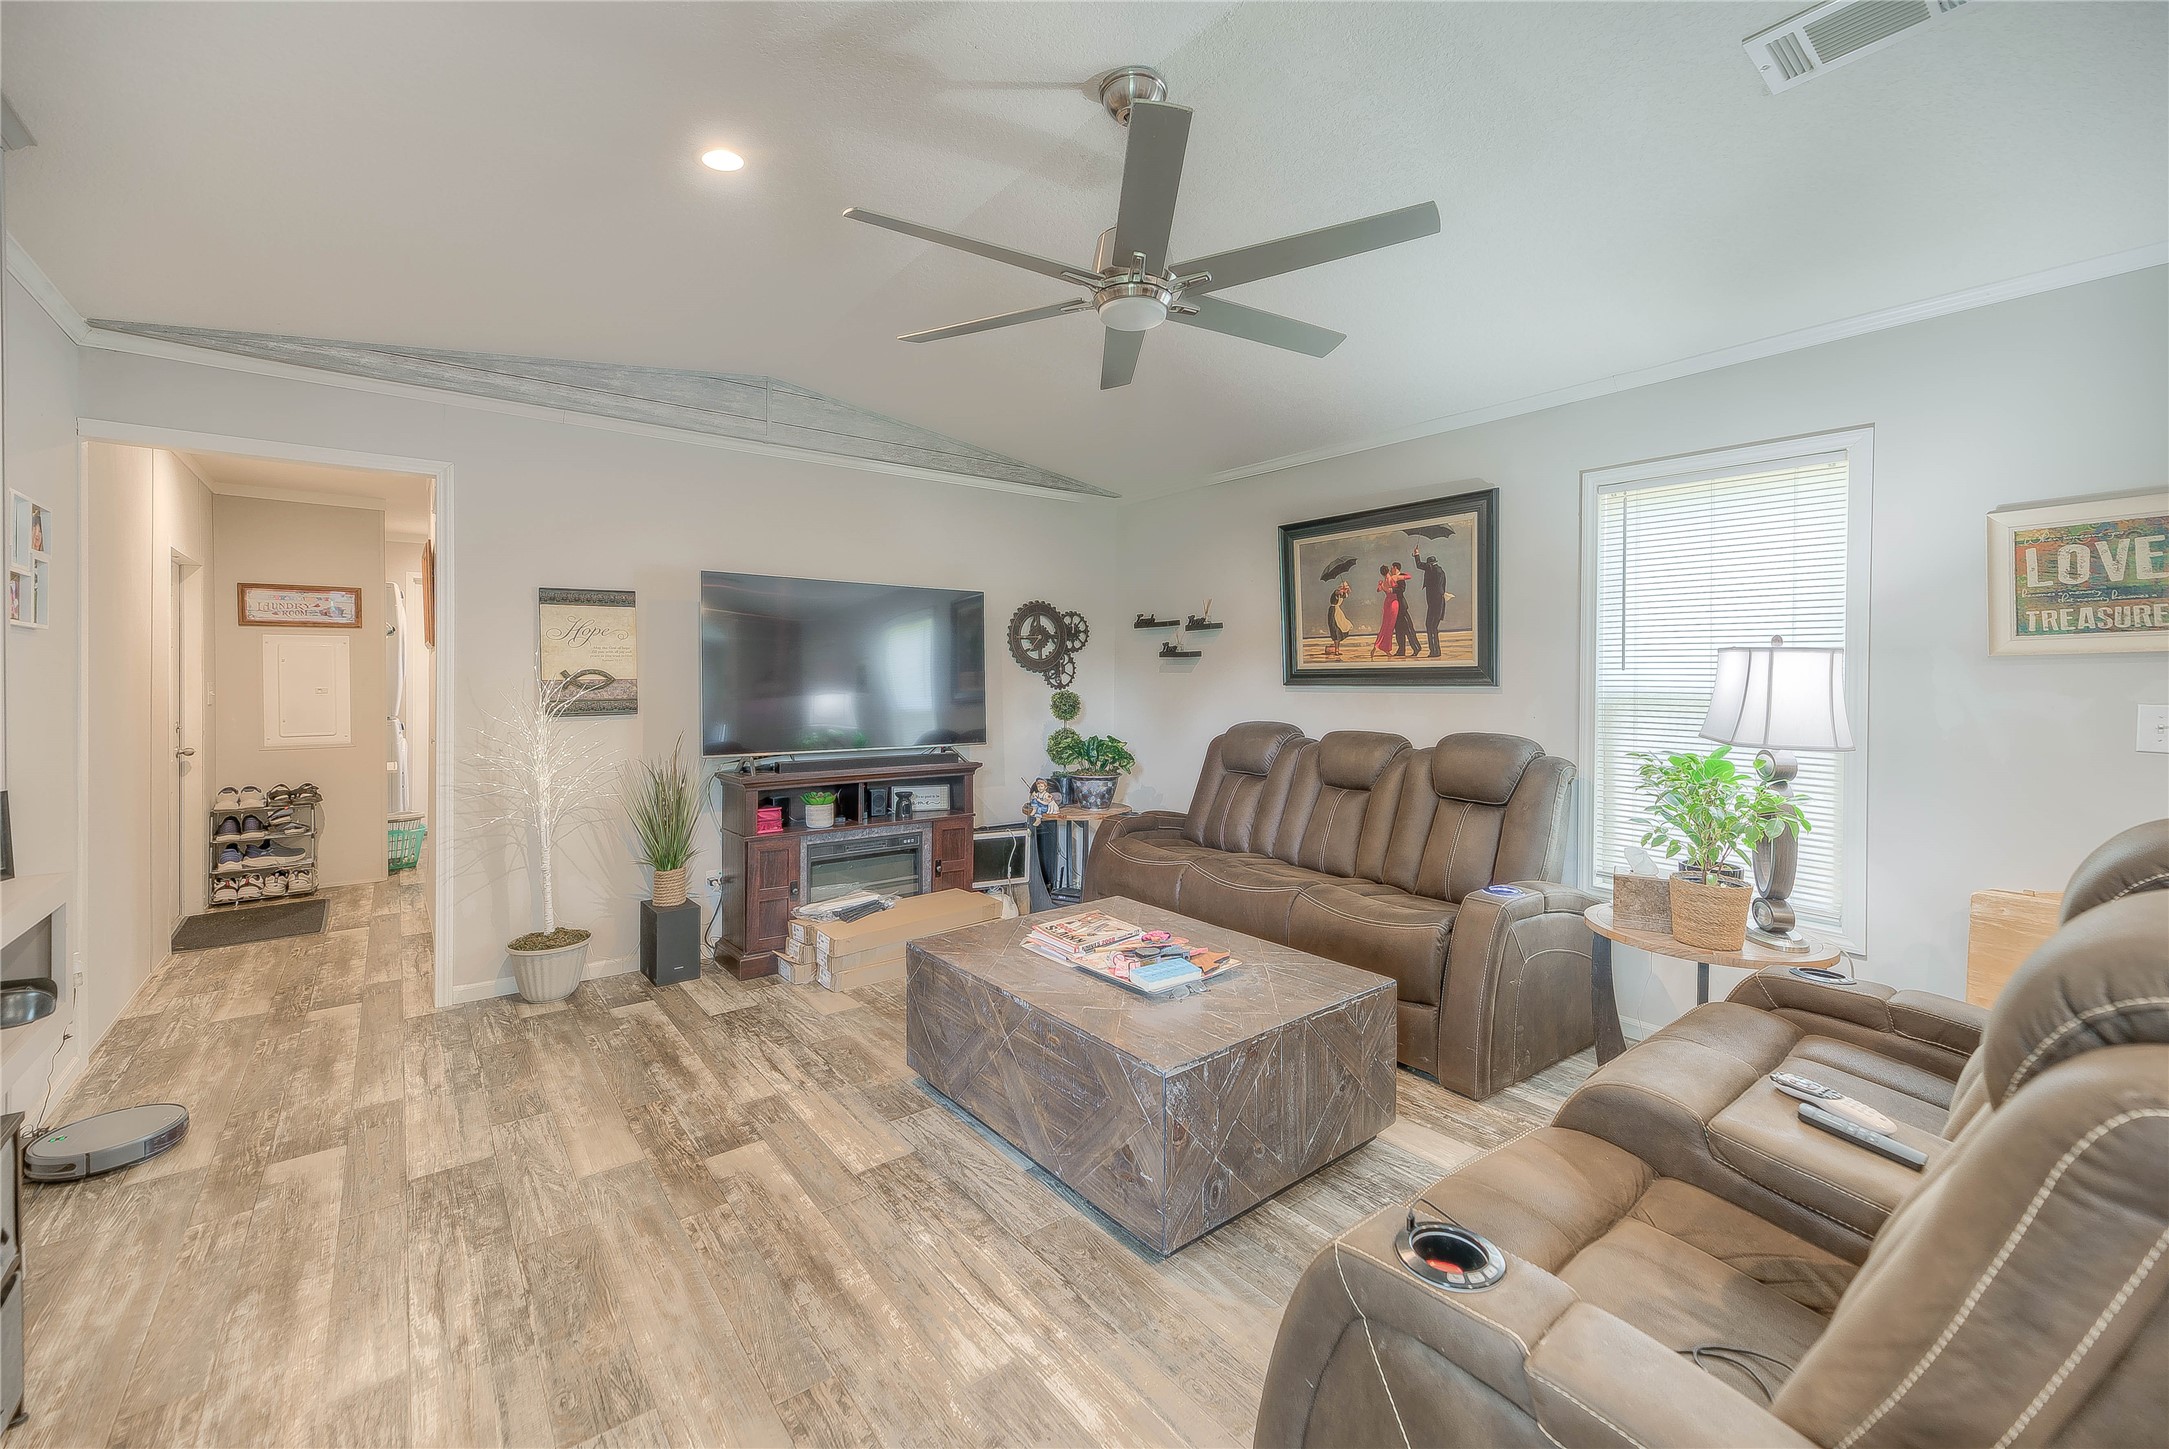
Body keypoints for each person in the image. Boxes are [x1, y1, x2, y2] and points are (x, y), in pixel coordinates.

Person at [1412, 548, 1453, 658]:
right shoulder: (1441, 571)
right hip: (1440, 603)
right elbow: (1443, 587)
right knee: (1433, 627)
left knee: (1430, 626)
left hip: (1434, 603)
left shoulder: (1431, 569)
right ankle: (1436, 651)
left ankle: (1433, 652)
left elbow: (1419, 565)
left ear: (1430, 564)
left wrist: (1416, 554)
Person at [1371, 564, 1404, 659]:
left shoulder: (1383, 582)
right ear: (1388, 571)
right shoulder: (1392, 578)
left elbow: (1378, 590)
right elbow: (1408, 577)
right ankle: (1383, 648)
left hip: (1387, 603)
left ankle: (1378, 647)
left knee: (1385, 626)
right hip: (1393, 603)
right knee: (1389, 627)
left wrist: (1381, 585)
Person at [1389, 563, 1419, 658]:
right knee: (1398, 630)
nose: (1391, 569)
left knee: (1408, 629)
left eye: (1392, 567)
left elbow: (1402, 589)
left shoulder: (1401, 576)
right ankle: (1401, 650)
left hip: (1401, 606)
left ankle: (1416, 647)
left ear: (1395, 568)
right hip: (1395, 607)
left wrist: (1392, 590)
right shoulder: (1393, 577)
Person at [1324, 580, 1353, 657]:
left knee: (1340, 630)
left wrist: (1347, 589)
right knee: (1335, 629)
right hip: (1333, 612)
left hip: (1338, 612)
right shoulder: (1337, 591)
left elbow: (1346, 594)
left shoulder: (1342, 593)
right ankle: (1336, 650)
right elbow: (1337, 592)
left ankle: (1337, 650)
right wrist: (1342, 589)